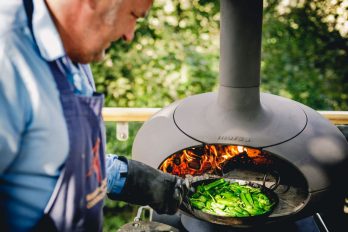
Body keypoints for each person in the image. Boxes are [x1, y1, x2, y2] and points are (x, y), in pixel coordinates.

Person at [0, 0, 186, 231]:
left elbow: (57, 155)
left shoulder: (74, 52)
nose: (129, 35)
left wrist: (136, 180)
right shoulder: (8, 57)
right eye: (134, 15)